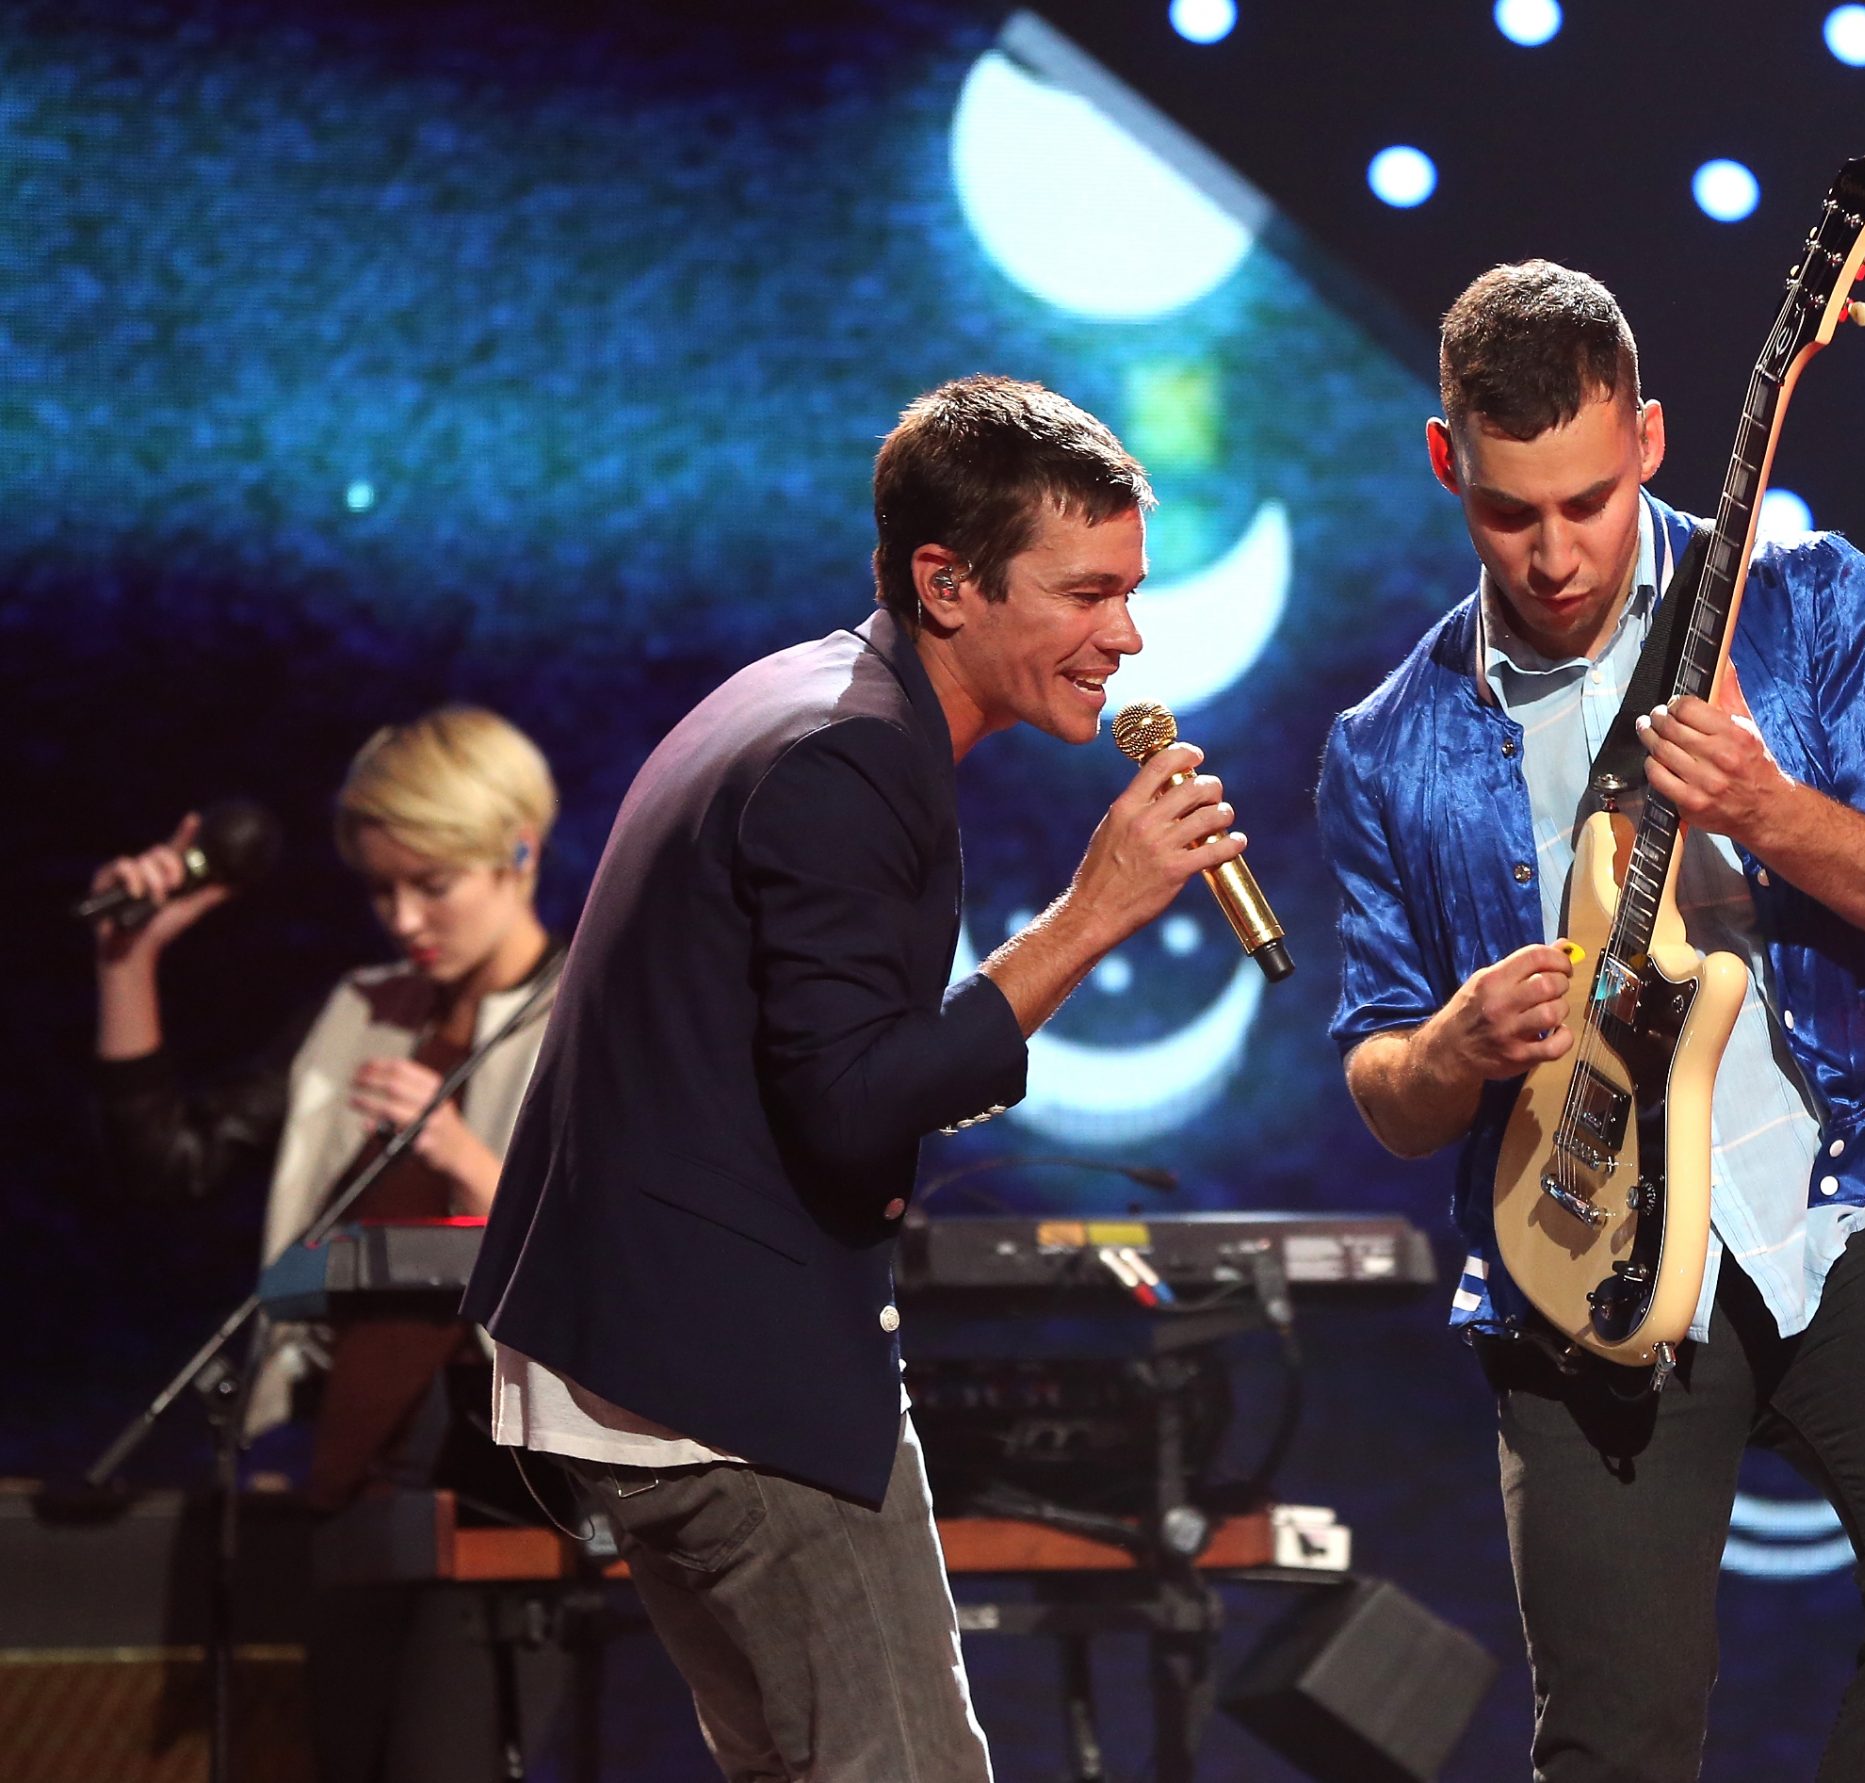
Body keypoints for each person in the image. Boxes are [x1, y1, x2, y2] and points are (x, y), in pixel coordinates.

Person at [463, 373, 1243, 1782]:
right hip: (724, 1377)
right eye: (1085, 593)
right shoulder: (851, 755)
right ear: (946, 583)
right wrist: (1088, 917)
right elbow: (851, 1103)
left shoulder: (812, 699)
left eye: (1129, 592)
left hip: (649, 1356)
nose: (1125, 635)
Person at [1317, 261, 1865, 1781]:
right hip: (1579, 1252)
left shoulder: (1809, 602)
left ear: (1648, 437)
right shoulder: (1387, 747)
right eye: (1509, 511)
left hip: (1844, 1197)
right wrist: (1453, 1044)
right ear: (1446, 462)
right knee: (1616, 1737)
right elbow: (1381, 1078)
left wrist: (1774, 813)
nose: (1554, 552)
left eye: (1587, 500)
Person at [91, 705, 566, 1782]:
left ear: (519, 850)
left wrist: (461, 1156)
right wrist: (128, 962)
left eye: (432, 884)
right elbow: (173, 1164)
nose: (405, 919)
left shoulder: (587, 1013)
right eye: (382, 890)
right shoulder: (361, 1013)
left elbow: (626, 1249)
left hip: (500, 1481)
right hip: (355, 1475)